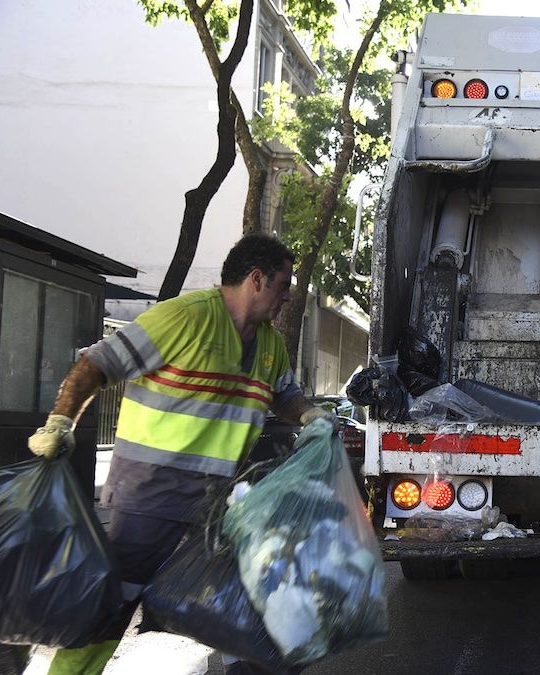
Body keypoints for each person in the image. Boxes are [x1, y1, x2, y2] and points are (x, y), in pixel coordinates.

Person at [28, 233, 335, 675]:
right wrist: (61, 422)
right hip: (151, 495)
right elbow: (97, 365)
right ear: (257, 279)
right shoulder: (183, 318)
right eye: (284, 285)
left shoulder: (269, 344)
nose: (288, 297)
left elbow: (284, 395)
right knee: (111, 606)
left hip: (219, 503)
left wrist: (309, 416)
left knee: (243, 601)